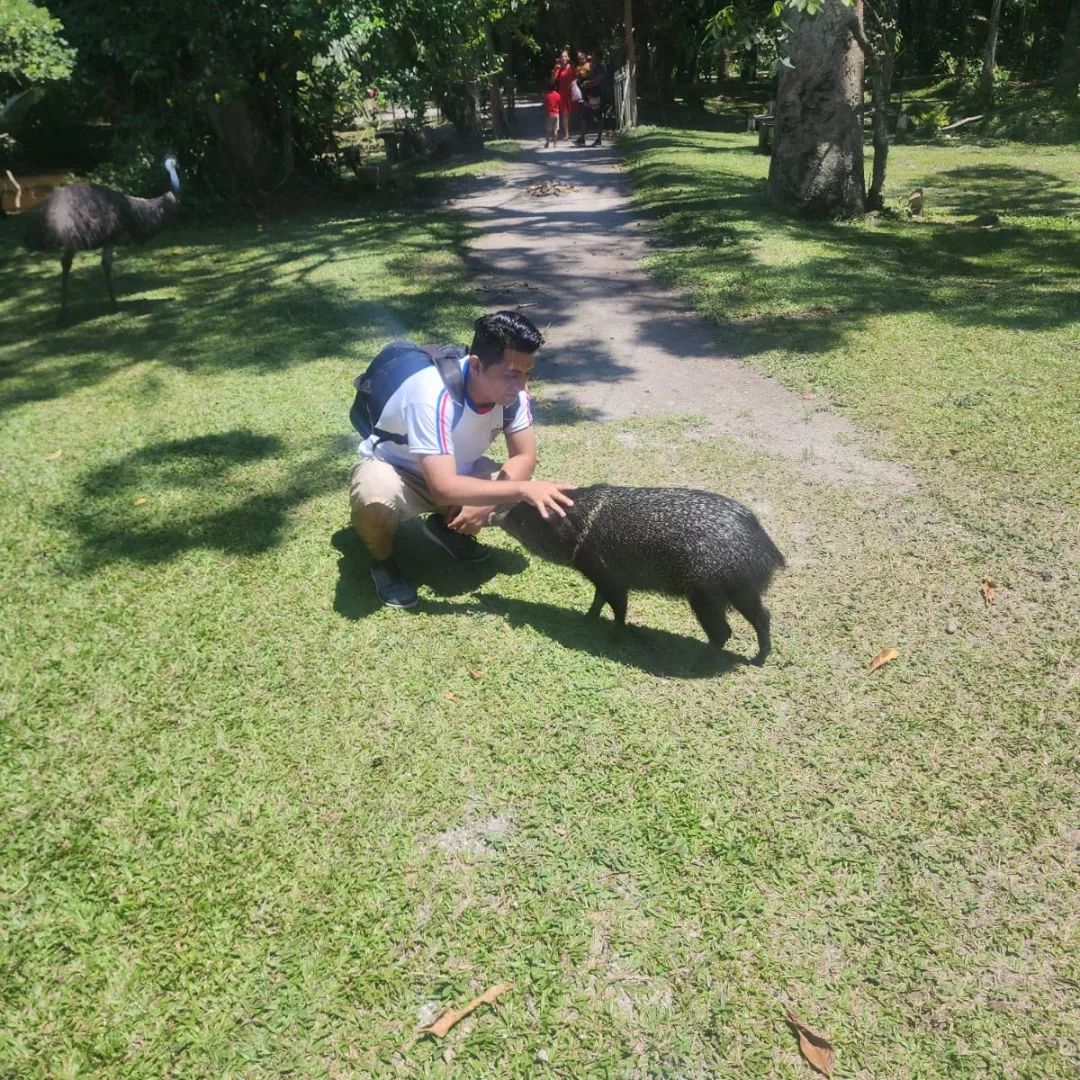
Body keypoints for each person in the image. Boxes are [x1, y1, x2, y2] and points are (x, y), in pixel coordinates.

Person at [349, 311, 575, 609]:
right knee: (373, 499)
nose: (521, 386)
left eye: (526, 373)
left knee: (524, 491)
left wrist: (492, 500)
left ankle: (443, 527)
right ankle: (384, 565)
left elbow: (524, 456)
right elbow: (443, 487)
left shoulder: (513, 393)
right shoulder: (430, 392)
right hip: (398, 472)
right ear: (477, 366)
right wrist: (516, 491)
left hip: (457, 470)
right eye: (511, 374)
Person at [583, 50, 608, 146]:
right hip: (593, 95)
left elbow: (598, 81)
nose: (590, 57)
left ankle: (598, 138)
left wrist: (587, 84)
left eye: (593, 56)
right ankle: (584, 137)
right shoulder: (594, 67)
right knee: (587, 114)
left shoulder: (600, 67)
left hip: (598, 95)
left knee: (598, 116)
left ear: (597, 58)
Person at [552, 49, 577, 142]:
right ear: (560, 58)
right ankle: (566, 133)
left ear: (568, 57)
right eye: (562, 56)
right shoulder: (558, 68)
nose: (564, 58)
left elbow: (576, 77)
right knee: (565, 114)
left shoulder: (571, 67)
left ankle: (569, 131)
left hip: (571, 93)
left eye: (565, 56)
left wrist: (574, 82)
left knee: (570, 114)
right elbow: (552, 81)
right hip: (562, 93)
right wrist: (555, 69)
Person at [543, 79, 561, 148]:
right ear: (555, 87)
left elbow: (544, 105)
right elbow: (559, 103)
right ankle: (555, 144)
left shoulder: (546, 96)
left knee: (548, 130)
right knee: (555, 130)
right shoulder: (558, 95)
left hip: (549, 114)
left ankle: (547, 143)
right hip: (556, 114)